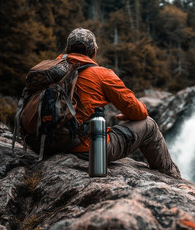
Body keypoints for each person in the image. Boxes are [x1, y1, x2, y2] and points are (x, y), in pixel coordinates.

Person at [62, 27, 181, 178]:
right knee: (149, 125)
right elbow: (139, 112)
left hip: (47, 144)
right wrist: (128, 114)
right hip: (87, 149)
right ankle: (171, 177)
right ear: (93, 52)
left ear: (67, 49)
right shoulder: (101, 74)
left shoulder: (50, 72)